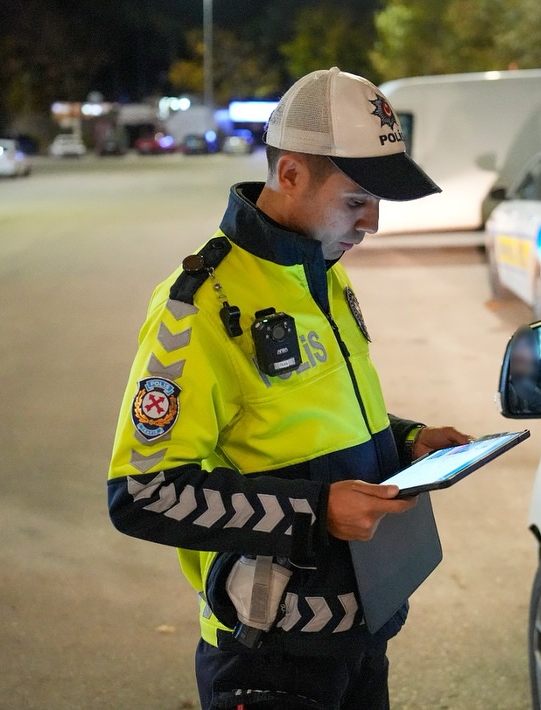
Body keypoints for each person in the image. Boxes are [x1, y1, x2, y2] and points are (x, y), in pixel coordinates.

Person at [107, 67, 472, 710]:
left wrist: (407, 439)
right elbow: (141, 493)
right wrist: (315, 511)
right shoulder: (197, 307)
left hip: (360, 632)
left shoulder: (322, 272)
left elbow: (315, 416)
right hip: (269, 659)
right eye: (357, 201)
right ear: (291, 174)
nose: (373, 224)